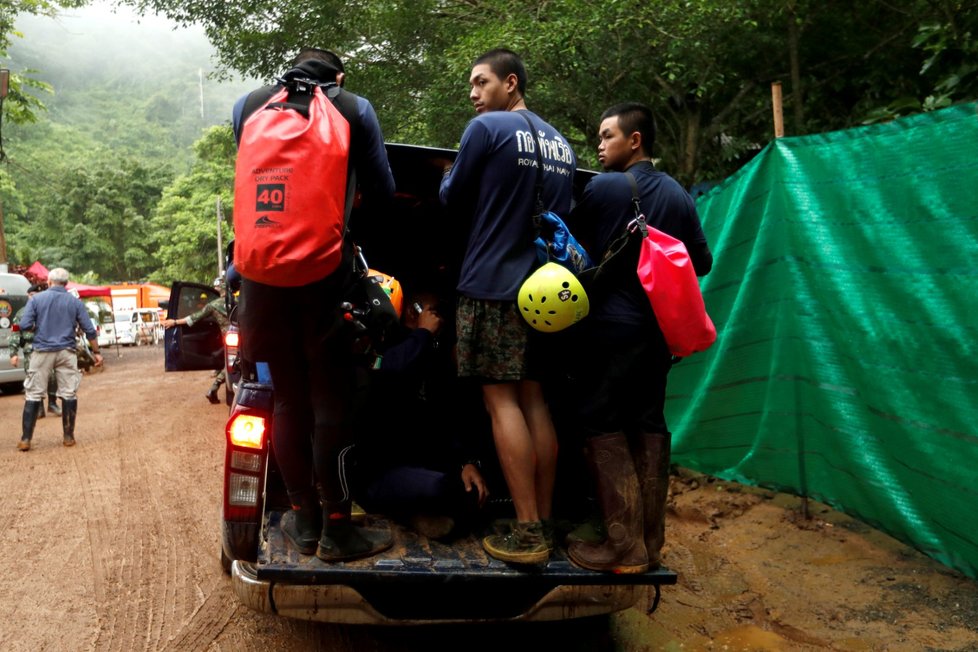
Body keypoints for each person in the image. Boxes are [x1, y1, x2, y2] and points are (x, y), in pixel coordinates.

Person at [232, 47, 396, 562]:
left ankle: (303, 522)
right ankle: (338, 530)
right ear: (339, 77)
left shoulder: (249, 105)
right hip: (325, 276)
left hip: (260, 279)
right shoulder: (355, 108)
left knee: (286, 400)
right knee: (331, 401)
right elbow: (384, 191)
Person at [439, 48, 577, 565]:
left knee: (502, 404)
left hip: (492, 285)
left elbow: (453, 197)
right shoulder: (562, 144)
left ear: (511, 84)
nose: (473, 94)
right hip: (545, 293)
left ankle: (526, 532)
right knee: (535, 402)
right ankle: (541, 518)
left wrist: (446, 174)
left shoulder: (487, 130)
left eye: (481, 83)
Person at [564, 102, 713, 573]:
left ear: (635, 141)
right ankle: (650, 541)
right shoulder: (678, 194)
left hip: (609, 328)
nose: (600, 145)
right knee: (647, 423)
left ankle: (622, 546)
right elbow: (701, 263)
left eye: (607, 136)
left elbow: (573, 251)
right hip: (656, 333)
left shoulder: (604, 189)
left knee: (599, 420)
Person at [354, 288, 491, 540]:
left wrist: (465, 462)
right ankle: (410, 514)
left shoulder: (434, 353)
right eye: (434, 311)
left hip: (425, 465)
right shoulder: (388, 343)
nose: (439, 318)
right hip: (382, 469)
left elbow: (448, 415)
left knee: (474, 489)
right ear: (413, 311)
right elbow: (388, 372)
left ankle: (419, 515)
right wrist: (423, 332)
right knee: (442, 488)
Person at [16, 268, 104, 451]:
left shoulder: (36, 300)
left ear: (49, 282)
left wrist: (38, 328)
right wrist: (96, 352)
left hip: (42, 351)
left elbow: (24, 324)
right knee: (69, 393)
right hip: (67, 352)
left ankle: (26, 439)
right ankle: (68, 436)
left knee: (33, 393)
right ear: (66, 284)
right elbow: (89, 329)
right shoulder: (74, 302)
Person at [163, 277, 230, 404]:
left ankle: (214, 387)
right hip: (243, 335)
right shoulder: (237, 302)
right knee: (235, 363)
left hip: (228, 338)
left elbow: (194, 318)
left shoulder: (212, 306)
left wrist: (175, 322)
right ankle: (214, 387)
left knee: (230, 363)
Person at [8, 284, 61, 418]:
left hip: (48, 347)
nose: (35, 298)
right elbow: (15, 332)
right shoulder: (21, 313)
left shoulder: (48, 310)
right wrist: (13, 353)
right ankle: (38, 408)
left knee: (53, 377)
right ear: (28, 295)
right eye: (33, 295)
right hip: (30, 349)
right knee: (34, 379)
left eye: (38, 295)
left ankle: (53, 403)